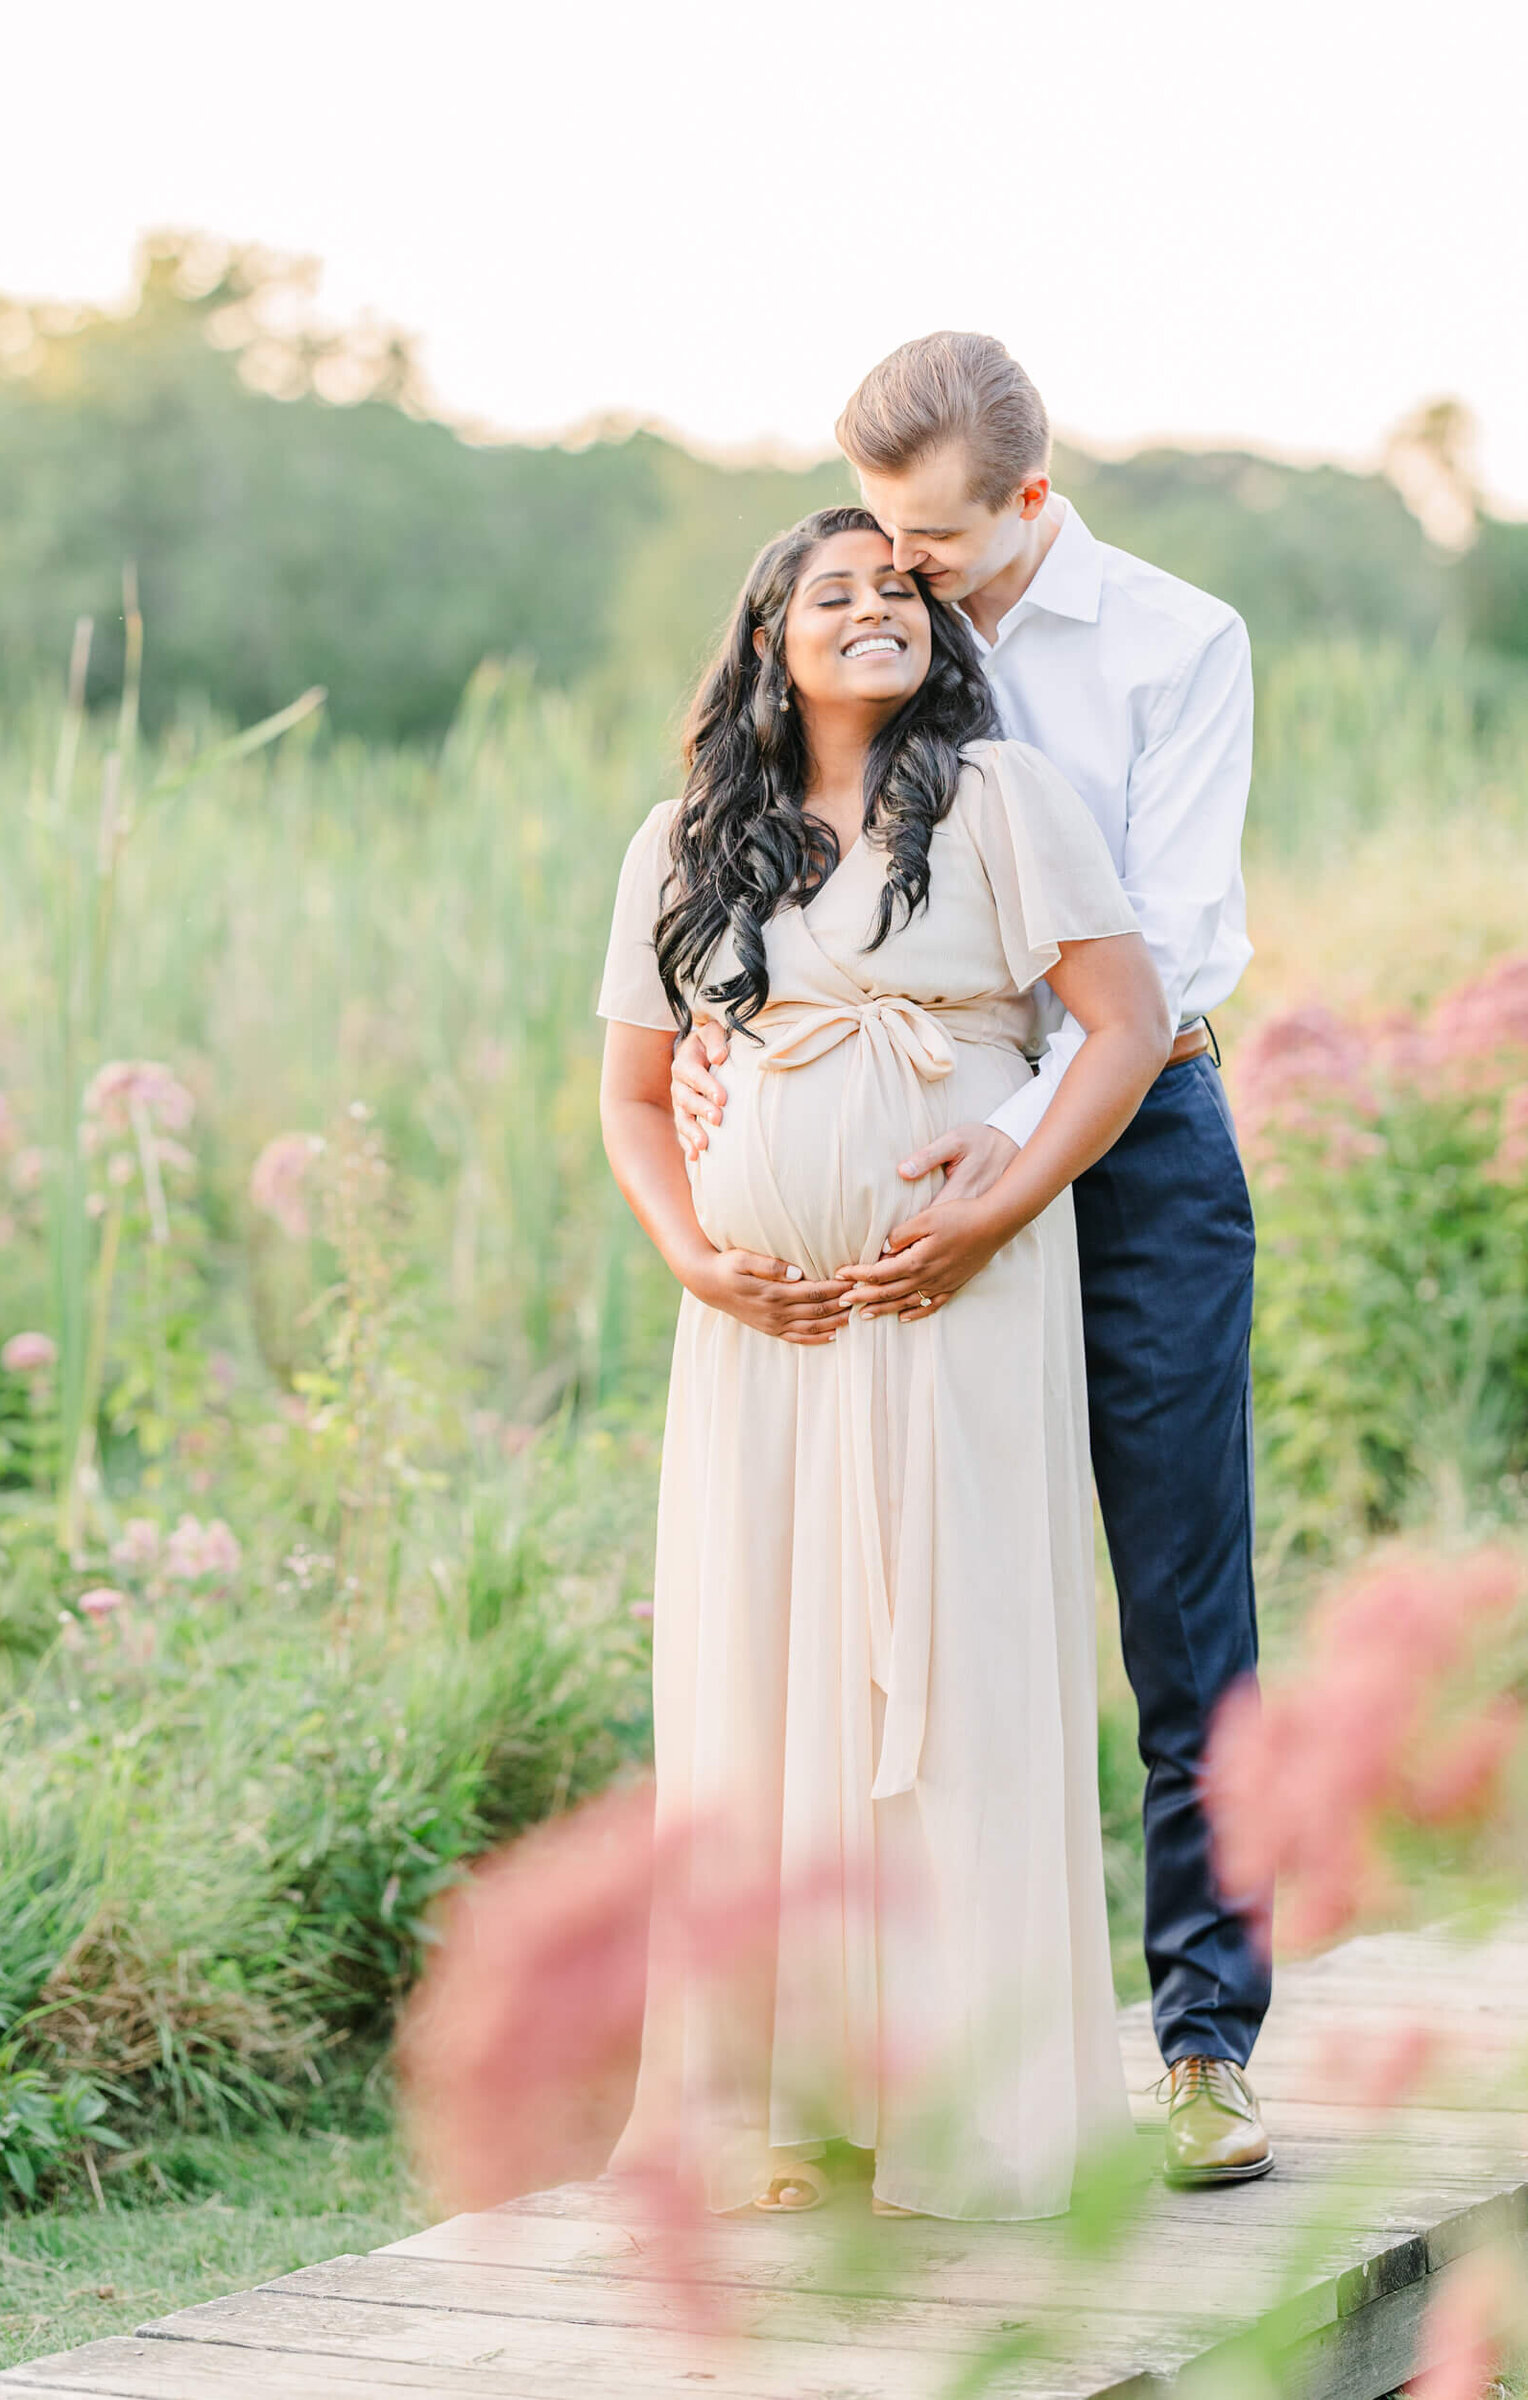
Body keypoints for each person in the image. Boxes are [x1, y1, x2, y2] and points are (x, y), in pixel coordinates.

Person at [673, 335, 1274, 2191]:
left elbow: (1147, 970)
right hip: (906, 1138)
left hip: (1131, 1135)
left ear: (1026, 500)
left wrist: (998, 1163)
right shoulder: (888, 620)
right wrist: (742, 1030)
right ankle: (895, 2055)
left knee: (1179, 1602)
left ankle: (1203, 2048)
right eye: (874, 541)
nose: (897, 576)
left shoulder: (1177, 642)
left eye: (929, 544)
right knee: (881, 1602)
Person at [597, 504, 1168, 2220]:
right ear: (769, 636)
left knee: (957, 1673)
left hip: (955, 1305)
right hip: (762, 1332)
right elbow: (632, 1099)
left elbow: (1124, 1025)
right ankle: (785, 2102)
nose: (875, 609)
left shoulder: (1001, 798)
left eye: (900, 587)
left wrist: (998, 1212)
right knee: (766, 1683)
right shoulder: (686, 839)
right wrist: (700, 1260)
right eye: (831, 590)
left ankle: (972, 2104)